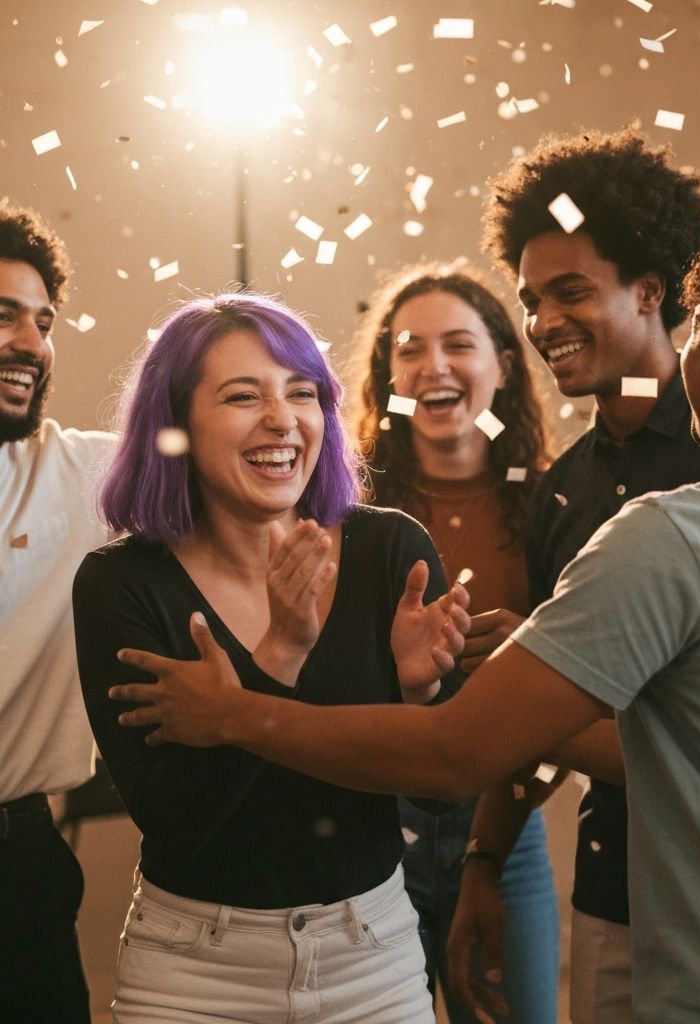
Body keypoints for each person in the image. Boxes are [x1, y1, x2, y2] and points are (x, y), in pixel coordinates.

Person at [110, 214, 700, 1024]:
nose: (686, 344)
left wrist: (238, 711)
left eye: (699, 326)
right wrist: (527, 669)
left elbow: (453, 758)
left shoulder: (675, 534)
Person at [72, 292, 469, 1024]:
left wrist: (419, 699)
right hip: (193, 971)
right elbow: (175, 822)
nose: (284, 420)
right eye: (242, 396)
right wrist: (281, 652)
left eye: (303, 393)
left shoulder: (391, 552)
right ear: (176, 424)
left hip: (370, 955)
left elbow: (445, 795)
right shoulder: (122, 585)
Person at [453, 126, 700, 1023]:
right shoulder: (563, 491)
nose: (541, 324)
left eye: (571, 292)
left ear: (651, 291)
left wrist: (508, 687)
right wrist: (486, 858)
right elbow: (540, 704)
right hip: (611, 896)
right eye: (530, 300)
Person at [353, 261, 559, 1024]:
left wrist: (488, 849)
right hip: (370, 833)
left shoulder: (549, 504)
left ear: (504, 365)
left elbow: (573, 698)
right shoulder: (352, 510)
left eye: (458, 345)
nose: (432, 365)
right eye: (409, 348)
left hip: (506, 834)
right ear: (389, 377)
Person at [0, 201, 114, 1022]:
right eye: (2, 317)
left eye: (43, 322)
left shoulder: (79, 477)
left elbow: (241, 437)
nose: (32, 345)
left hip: (18, 873)